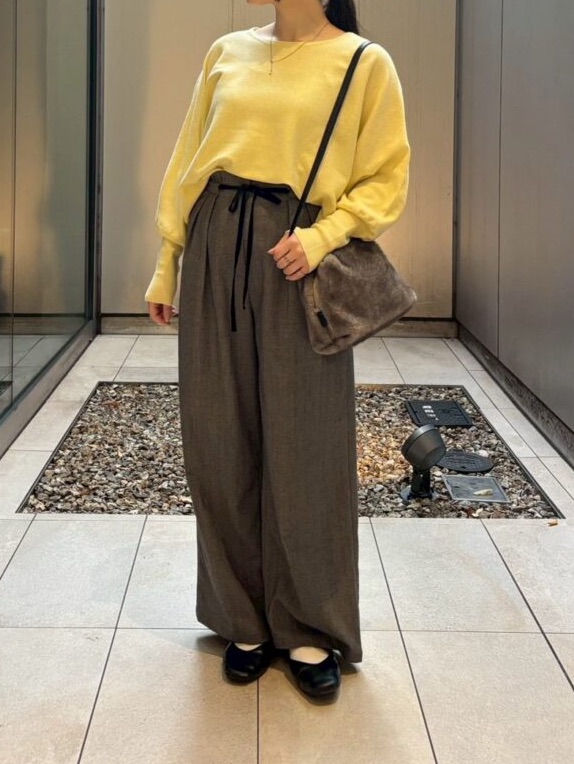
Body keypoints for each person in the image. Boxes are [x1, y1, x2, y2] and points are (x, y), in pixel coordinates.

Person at [146, 0, 409, 701]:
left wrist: (323, 238)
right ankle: (242, 617)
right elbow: (188, 162)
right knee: (217, 435)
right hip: (215, 243)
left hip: (298, 254)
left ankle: (309, 625)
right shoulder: (226, 50)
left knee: (308, 443)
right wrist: (169, 260)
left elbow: (385, 177)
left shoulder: (363, 61)